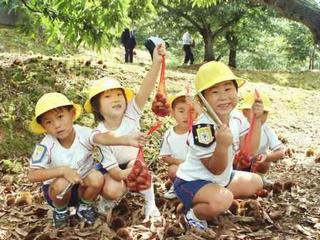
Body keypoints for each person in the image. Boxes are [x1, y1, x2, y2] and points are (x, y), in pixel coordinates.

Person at [28, 92, 147, 228]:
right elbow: (32, 175)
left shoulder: (83, 133)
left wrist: (125, 139)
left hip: (82, 187)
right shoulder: (45, 145)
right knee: (61, 182)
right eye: (48, 122)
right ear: (44, 127)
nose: (56, 125)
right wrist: (62, 171)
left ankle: (85, 207)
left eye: (60, 117)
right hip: (57, 192)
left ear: (72, 114)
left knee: (97, 176)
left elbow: (102, 137)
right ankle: (60, 211)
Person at [173, 61, 263, 230]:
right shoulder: (203, 128)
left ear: (237, 91)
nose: (223, 97)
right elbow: (214, 169)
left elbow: (250, 151)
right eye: (214, 92)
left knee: (256, 181)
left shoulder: (236, 117)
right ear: (203, 100)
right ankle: (193, 215)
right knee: (224, 199)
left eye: (228, 89)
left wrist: (256, 120)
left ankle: (214, 198)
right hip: (192, 183)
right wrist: (222, 146)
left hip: (221, 180)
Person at [84, 43, 166, 222]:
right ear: (97, 107)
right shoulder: (100, 134)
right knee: (111, 189)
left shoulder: (131, 113)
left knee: (139, 168)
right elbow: (114, 172)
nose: (116, 99)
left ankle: (150, 205)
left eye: (119, 95)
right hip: (112, 169)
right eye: (107, 96)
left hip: (132, 161)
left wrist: (156, 63)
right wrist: (128, 176)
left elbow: (146, 89)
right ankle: (109, 199)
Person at [237, 91, 285, 186]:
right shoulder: (239, 125)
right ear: (245, 112)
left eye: (264, 112)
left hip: (258, 161)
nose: (260, 114)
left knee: (265, 156)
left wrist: (267, 157)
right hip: (238, 161)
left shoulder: (266, 129)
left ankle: (260, 176)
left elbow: (280, 152)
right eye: (254, 110)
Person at [159, 91, 197, 199]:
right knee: (173, 170)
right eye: (181, 111)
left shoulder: (199, 130)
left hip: (198, 166)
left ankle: (196, 189)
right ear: (173, 113)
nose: (186, 115)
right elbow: (165, 156)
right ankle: (177, 187)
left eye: (191, 111)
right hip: (180, 167)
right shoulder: (169, 134)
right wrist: (180, 162)